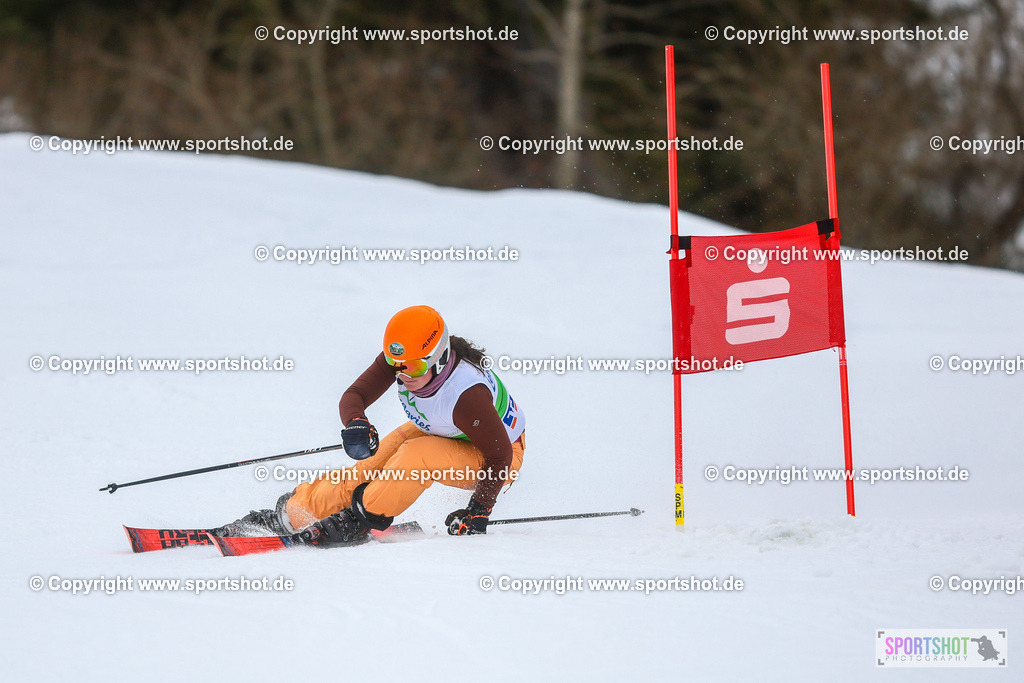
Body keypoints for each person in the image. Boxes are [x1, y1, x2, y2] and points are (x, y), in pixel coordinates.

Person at [214, 305, 526, 547]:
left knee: (416, 456)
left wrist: (478, 510)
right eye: (396, 366)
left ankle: (361, 518)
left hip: (498, 457)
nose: (403, 376)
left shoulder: (467, 397)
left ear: (440, 357)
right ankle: (293, 514)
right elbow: (356, 395)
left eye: (415, 367)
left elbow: (500, 458)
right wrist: (356, 423)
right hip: (449, 431)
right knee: (371, 465)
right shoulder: (407, 360)